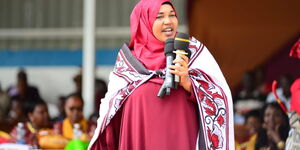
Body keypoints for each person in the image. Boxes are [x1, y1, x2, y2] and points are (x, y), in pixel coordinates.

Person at [89, 0, 234, 149]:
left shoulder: (193, 52)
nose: (168, 21)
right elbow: (111, 108)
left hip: (182, 136)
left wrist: (189, 84)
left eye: (172, 15)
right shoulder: (128, 61)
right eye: (159, 17)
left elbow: (220, 97)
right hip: (141, 137)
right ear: (144, 21)